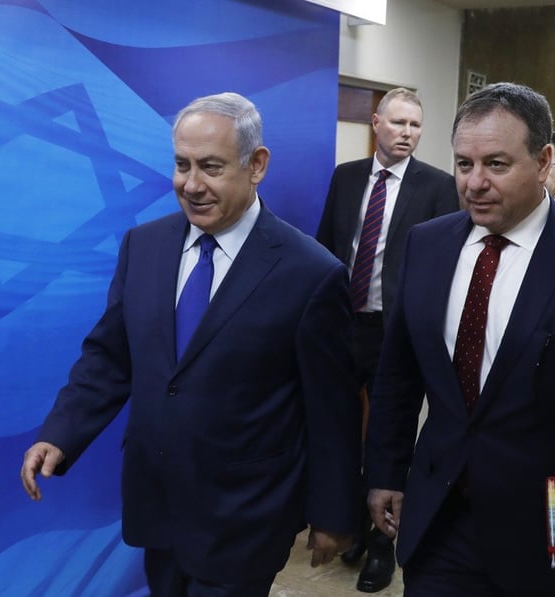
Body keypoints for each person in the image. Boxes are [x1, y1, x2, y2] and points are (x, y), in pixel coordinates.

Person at [20, 92, 362, 596]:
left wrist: (334, 513)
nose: (192, 184)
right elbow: (111, 356)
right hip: (157, 504)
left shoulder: (311, 274)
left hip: (246, 515)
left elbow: (332, 408)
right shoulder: (145, 246)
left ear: (257, 165)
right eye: (182, 165)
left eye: (211, 167)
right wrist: (62, 432)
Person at [364, 82, 555, 596]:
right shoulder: (428, 244)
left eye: (496, 165)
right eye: (463, 164)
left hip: (546, 536)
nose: (475, 183)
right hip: (439, 518)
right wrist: (387, 471)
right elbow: (398, 372)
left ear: (544, 161)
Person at [315, 86, 459, 593]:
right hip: (344, 323)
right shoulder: (347, 177)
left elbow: (444, 265)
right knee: (340, 427)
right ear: (376, 123)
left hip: (396, 332)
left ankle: (383, 543)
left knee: (387, 438)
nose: (407, 134)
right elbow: (327, 247)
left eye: (416, 126)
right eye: (398, 123)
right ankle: (350, 524)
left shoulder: (438, 186)